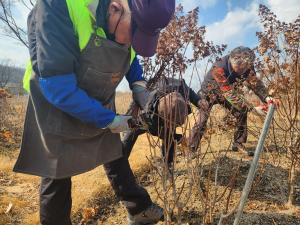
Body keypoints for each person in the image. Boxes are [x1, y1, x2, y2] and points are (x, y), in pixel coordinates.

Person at [13, 0, 175, 225]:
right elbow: (57, 86)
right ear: (116, 7)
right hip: (54, 94)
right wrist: (109, 119)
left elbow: (129, 54)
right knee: (56, 169)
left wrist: (138, 85)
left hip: (94, 90)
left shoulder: (127, 19)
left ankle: (139, 209)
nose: (131, 43)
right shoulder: (57, 6)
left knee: (112, 151)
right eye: (134, 34)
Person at [189, 46, 276, 156]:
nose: (243, 72)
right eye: (240, 69)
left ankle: (238, 143)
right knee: (202, 120)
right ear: (233, 59)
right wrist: (253, 108)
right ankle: (191, 149)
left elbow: (255, 83)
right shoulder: (219, 67)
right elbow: (229, 94)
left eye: (246, 68)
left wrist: (267, 97)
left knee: (241, 112)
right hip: (209, 93)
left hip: (227, 91)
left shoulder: (247, 66)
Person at [121, 77, 201, 169]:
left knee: (169, 135)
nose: (172, 126)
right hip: (143, 103)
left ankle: (168, 166)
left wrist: (198, 101)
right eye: (169, 124)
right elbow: (157, 131)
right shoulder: (147, 110)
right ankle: (121, 166)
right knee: (131, 131)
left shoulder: (180, 88)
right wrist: (179, 138)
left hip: (165, 96)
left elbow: (189, 91)